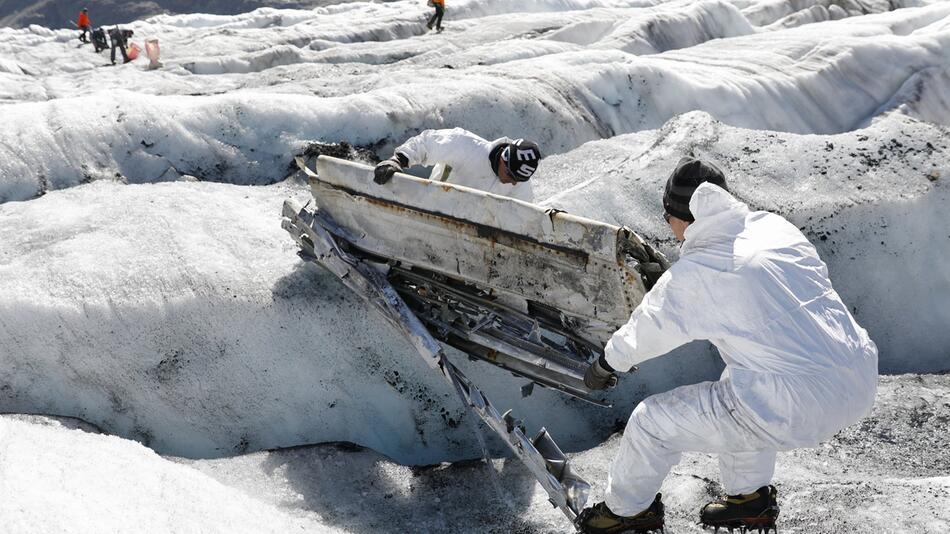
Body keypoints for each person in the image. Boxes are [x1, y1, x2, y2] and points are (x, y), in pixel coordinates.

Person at [576, 157, 878, 534]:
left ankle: (625, 513)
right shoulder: (773, 227)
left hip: (796, 404)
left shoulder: (702, 271)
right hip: (859, 375)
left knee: (650, 423)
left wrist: (606, 364)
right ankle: (747, 498)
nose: (668, 227)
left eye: (667, 217)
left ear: (682, 216)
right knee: (742, 382)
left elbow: (649, 328)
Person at [373, 128, 540, 202]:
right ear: (504, 160)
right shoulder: (465, 146)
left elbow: (523, 219)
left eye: (520, 179)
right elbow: (426, 144)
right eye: (512, 176)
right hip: (430, 212)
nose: (514, 183)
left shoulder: (520, 185)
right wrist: (398, 160)